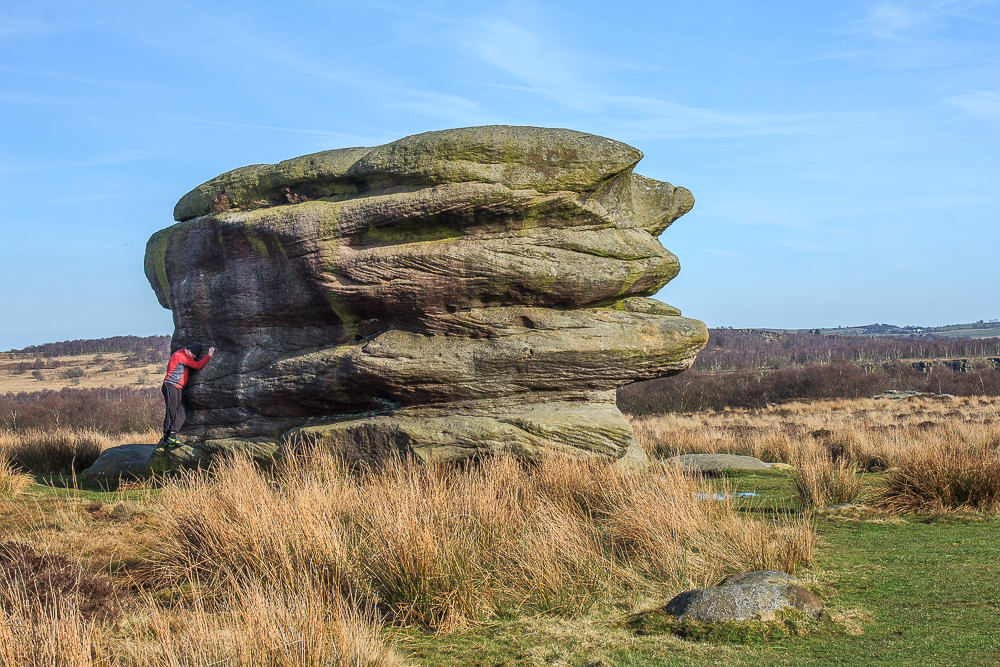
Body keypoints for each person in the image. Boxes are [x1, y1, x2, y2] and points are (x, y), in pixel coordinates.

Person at [161, 344, 215, 448]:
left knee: (182, 412)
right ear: (189, 351)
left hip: (178, 388)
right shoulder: (180, 356)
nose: (193, 358)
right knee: (171, 411)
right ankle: (167, 437)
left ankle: (171, 435)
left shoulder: (183, 355)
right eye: (193, 356)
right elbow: (198, 366)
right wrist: (209, 355)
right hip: (170, 386)